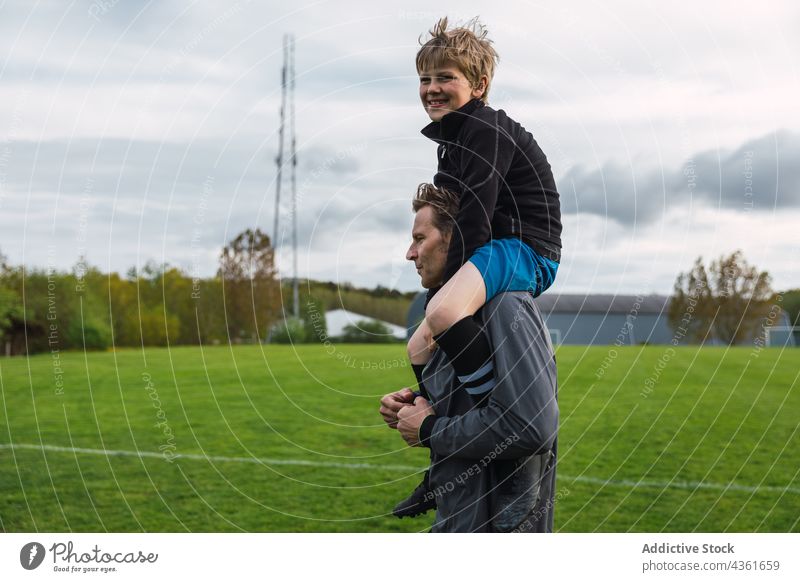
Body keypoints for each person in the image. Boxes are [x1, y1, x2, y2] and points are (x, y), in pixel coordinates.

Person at [399, 16, 563, 515]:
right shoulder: (452, 142)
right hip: (494, 248)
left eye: (446, 77)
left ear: (479, 85)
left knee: (445, 314)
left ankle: (493, 414)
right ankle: (439, 458)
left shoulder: (486, 130)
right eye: (426, 79)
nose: (432, 88)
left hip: (524, 249)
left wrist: (444, 292)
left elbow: (473, 214)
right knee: (419, 342)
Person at [380, 183, 559, 532]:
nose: (410, 253)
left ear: (454, 237)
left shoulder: (505, 305)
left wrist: (430, 430)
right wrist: (413, 407)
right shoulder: (455, 317)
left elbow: (532, 427)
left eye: (419, 238)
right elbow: (473, 409)